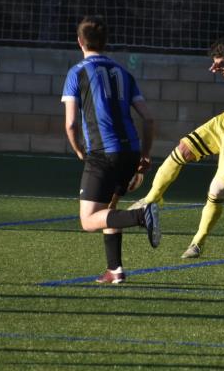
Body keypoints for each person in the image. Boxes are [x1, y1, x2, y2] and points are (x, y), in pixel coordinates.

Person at [131, 36, 224, 258]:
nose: (222, 71)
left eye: (223, 65)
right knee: (182, 149)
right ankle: (149, 201)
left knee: (217, 190)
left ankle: (197, 242)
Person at [62, 16, 160, 284]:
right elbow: (148, 119)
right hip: (130, 151)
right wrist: (145, 154)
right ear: (105, 43)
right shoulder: (124, 73)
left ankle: (141, 215)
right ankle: (114, 269)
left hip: (103, 152)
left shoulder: (77, 72)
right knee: (109, 209)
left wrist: (79, 149)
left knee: (88, 221)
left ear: (80, 42)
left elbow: (71, 123)